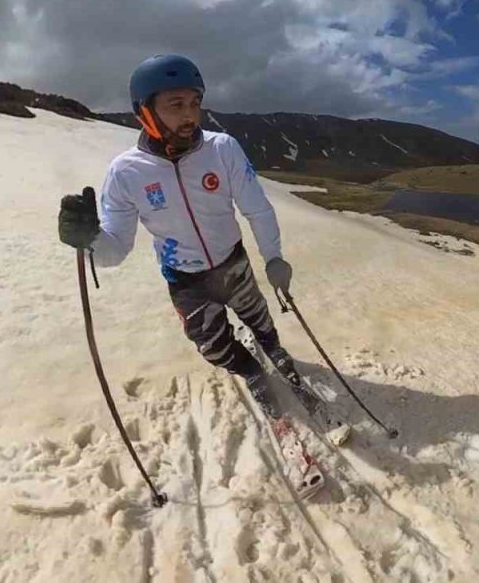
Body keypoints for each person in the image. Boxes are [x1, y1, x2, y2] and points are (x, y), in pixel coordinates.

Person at [57, 53, 307, 420]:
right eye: (176, 105)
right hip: (186, 280)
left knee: (262, 322)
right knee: (215, 348)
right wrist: (87, 238)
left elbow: (257, 208)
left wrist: (274, 257)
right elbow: (115, 250)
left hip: (233, 264)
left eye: (195, 103)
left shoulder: (222, 149)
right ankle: (250, 370)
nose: (190, 115)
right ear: (145, 111)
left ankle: (273, 348)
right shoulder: (126, 172)